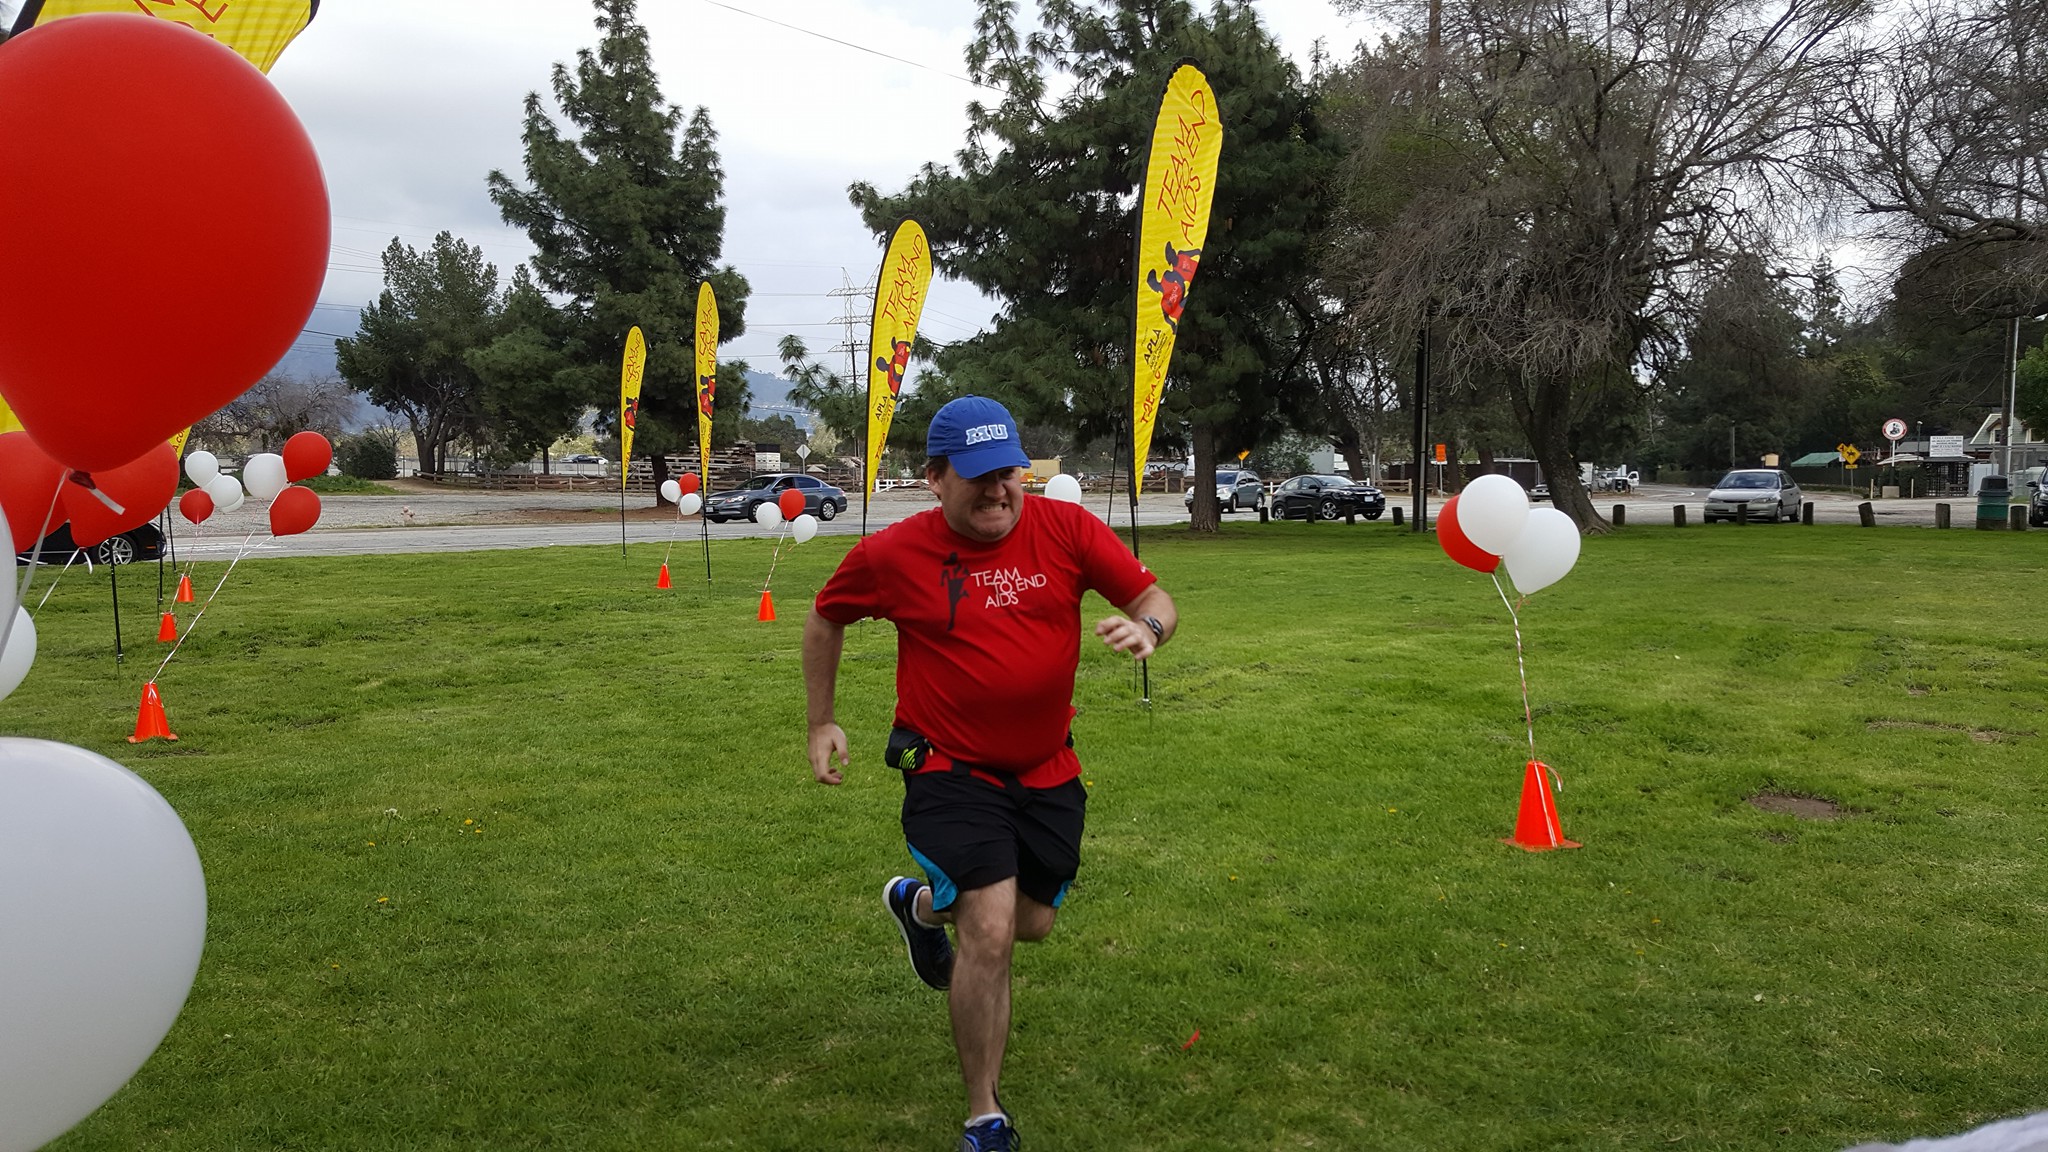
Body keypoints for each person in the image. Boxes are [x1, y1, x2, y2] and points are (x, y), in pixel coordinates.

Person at [803, 395, 1177, 1151]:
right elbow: (825, 617)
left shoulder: (1066, 528)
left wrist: (1149, 629)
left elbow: (1153, 597)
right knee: (995, 930)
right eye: (977, 477)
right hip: (948, 766)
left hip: (1046, 767)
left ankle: (919, 909)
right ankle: (985, 1115)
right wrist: (822, 719)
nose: (998, 490)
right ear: (935, 477)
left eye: (1007, 472)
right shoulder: (891, 554)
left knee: (1032, 923)